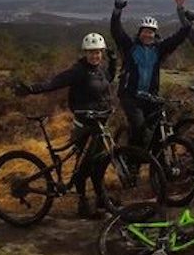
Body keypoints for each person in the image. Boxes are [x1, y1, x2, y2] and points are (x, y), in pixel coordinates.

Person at [13, 32, 118, 218]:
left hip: (100, 124)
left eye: (98, 52)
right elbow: (55, 83)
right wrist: (31, 89)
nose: (95, 56)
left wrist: (114, 61)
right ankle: (82, 203)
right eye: (91, 52)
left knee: (99, 163)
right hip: (84, 125)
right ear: (85, 53)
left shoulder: (100, 69)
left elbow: (108, 78)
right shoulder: (78, 71)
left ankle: (102, 198)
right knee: (83, 167)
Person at [110, 0, 192, 150]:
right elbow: (117, 31)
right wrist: (117, 11)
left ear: (155, 34)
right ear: (140, 32)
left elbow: (178, 38)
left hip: (150, 96)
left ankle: (155, 162)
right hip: (130, 95)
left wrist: (186, 19)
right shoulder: (131, 47)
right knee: (139, 127)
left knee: (156, 131)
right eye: (145, 31)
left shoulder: (159, 49)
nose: (148, 34)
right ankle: (132, 161)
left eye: (151, 31)